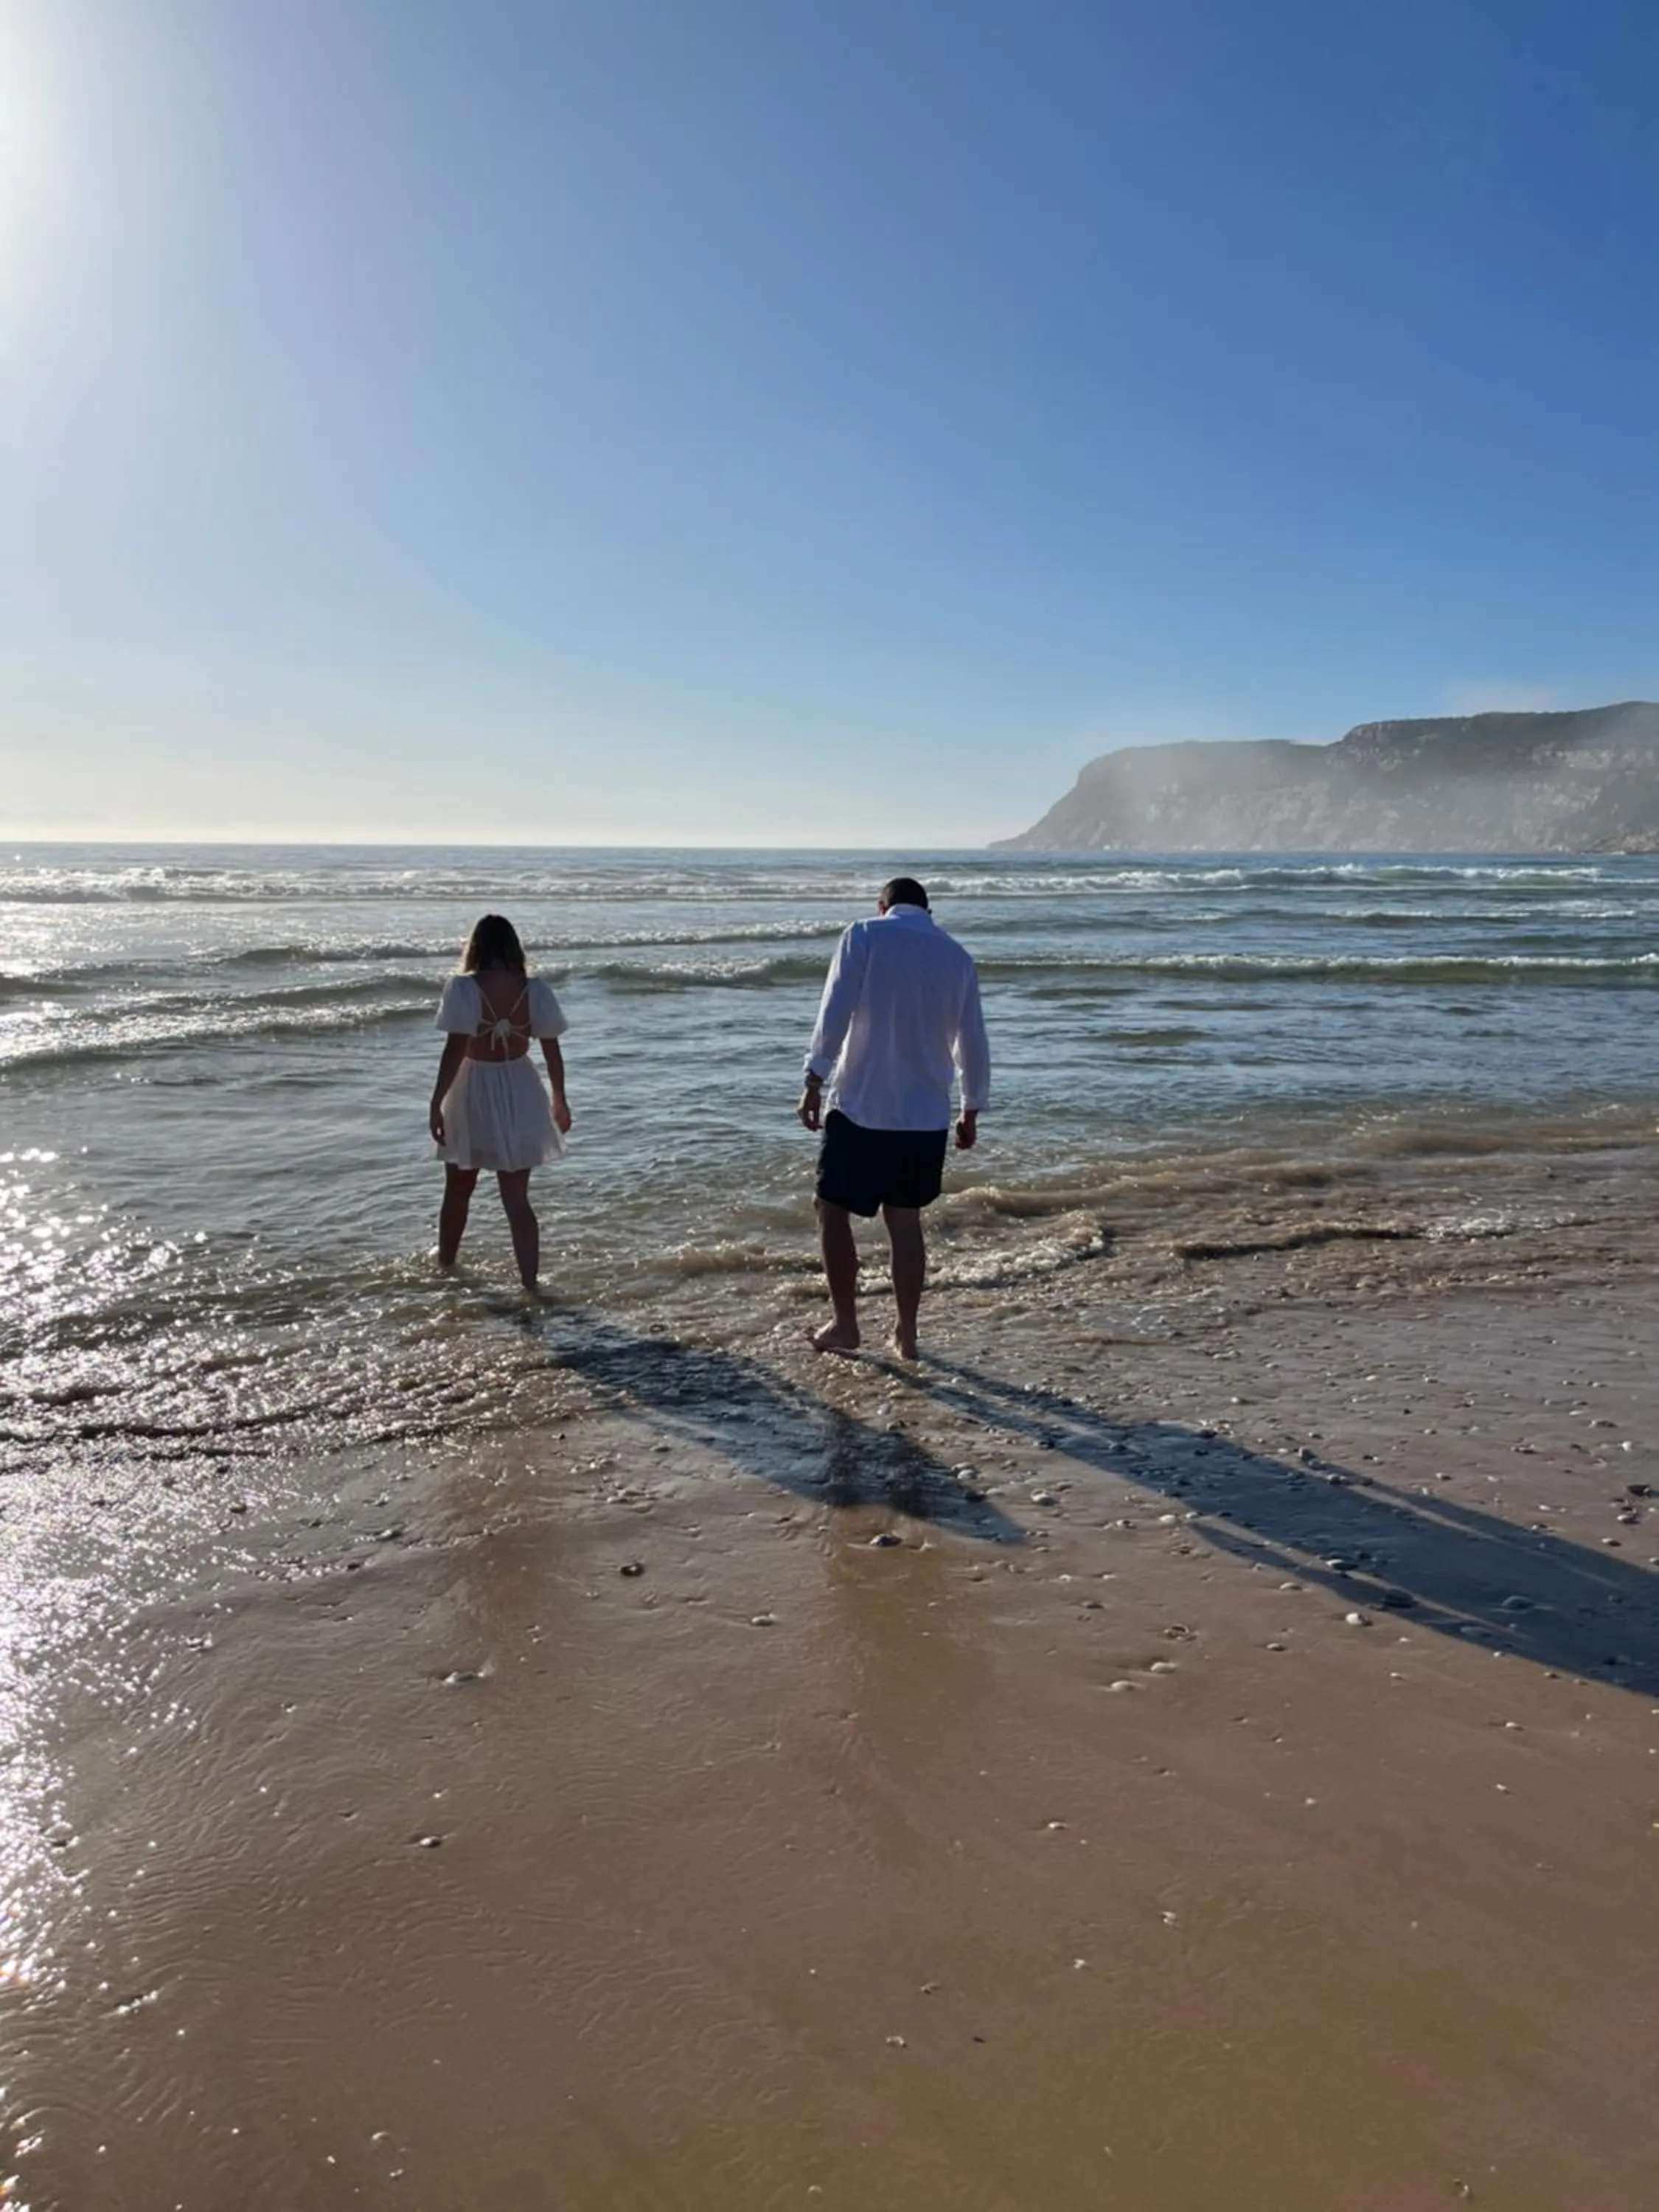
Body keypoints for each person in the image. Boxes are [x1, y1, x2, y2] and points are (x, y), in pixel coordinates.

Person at [796, 876, 990, 1360]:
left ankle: (846, 1324)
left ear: (882, 906)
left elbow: (835, 1010)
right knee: (905, 1222)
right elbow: (973, 1041)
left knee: (831, 1209)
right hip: (925, 1117)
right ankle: (906, 1334)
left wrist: (814, 1079)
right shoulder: (957, 957)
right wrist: (971, 1108)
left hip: (863, 1107)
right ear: (929, 912)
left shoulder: (864, 934)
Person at [429, 914, 573, 1290]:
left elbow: (455, 1049)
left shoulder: (464, 988)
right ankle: (530, 1283)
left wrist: (436, 1102)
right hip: (521, 1088)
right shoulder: (535, 990)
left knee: (458, 1190)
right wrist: (559, 1100)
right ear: (513, 947)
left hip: (473, 1089)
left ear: (476, 946)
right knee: (517, 1199)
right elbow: (552, 1052)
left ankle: (446, 1266)